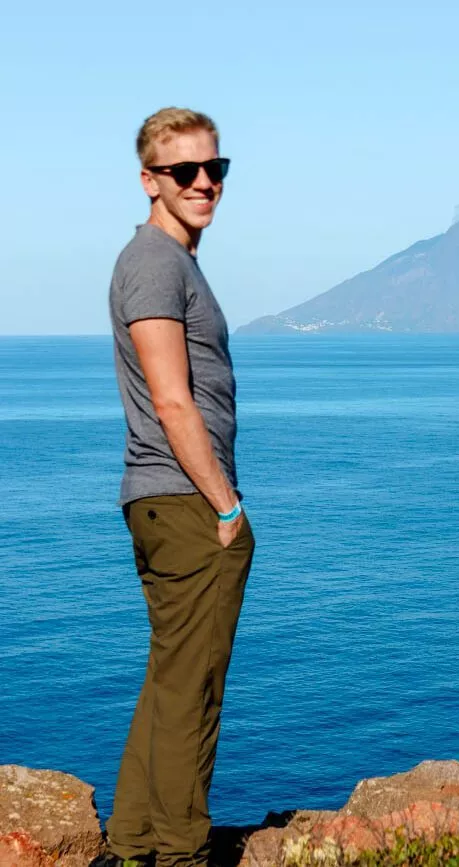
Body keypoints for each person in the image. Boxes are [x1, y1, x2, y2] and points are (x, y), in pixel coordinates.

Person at [100, 107, 254, 867]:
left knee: (170, 680)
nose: (204, 184)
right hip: (190, 503)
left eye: (214, 169)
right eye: (184, 171)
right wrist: (225, 503)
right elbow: (171, 398)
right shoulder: (157, 262)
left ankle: (130, 847)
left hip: (166, 499)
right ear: (149, 181)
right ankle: (181, 855)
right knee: (194, 694)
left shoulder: (167, 261)